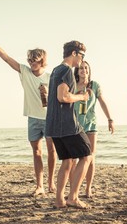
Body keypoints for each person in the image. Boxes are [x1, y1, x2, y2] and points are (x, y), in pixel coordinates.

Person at [0, 31, 57, 196]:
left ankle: (51, 182)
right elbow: (6, 58)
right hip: (32, 118)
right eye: (29, 60)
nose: (30, 63)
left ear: (42, 61)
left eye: (34, 60)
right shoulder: (24, 71)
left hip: (49, 119)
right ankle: (40, 186)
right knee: (37, 152)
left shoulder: (51, 77)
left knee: (52, 151)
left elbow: (59, 98)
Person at [46, 40, 91, 209]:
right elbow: (62, 97)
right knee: (86, 155)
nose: (82, 59)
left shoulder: (56, 70)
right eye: (82, 55)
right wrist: (81, 97)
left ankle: (59, 200)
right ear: (74, 53)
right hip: (66, 124)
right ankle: (73, 197)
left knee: (67, 161)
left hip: (53, 125)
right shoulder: (66, 70)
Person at [72, 61, 114, 198]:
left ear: (89, 71)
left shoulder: (94, 86)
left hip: (91, 125)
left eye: (86, 68)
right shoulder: (72, 86)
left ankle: (88, 188)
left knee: (90, 157)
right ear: (77, 71)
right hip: (75, 126)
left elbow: (103, 103)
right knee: (74, 159)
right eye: (81, 68)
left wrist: (110, 119)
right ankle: (74, 189)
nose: (84, 70)